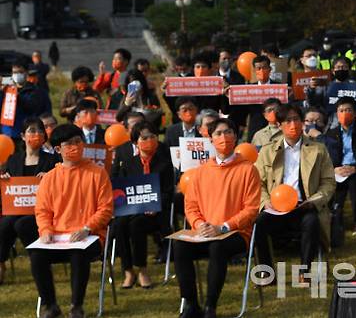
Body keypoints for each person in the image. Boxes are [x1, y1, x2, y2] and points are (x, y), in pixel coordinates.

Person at [175, 118, 260, 318]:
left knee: (217, 247)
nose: (224, 137)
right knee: (179, 247)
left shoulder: (248, 169)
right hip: (204, 232)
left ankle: (210, 307)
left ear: (236, 136)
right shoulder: (201, 171)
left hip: (235, 233)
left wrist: (222, 227)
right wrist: (199, 224)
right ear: (211, 140)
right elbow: (191, 206)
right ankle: (191, 305)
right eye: (218, 134)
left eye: (228, 132)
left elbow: (251, 209)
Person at [29, 124, 113, 318]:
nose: (75, 147)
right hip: (57, 238)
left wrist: (87, 228)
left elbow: (105, 209)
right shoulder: (49, 178)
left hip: (89, 236)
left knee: (78, 254)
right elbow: (42, 211)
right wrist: (46, 231)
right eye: (69, 144)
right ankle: (50, 305)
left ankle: (77, 306)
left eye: (78, 142)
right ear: (58, 149)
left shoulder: (97, 173)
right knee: (36, 256)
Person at [254, 104, 335, 279]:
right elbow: (257, 183)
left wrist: (314, 201)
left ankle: (305, 270)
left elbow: (328, 183)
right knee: (259, 223)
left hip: (304, 205)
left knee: (311, 222)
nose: (293, 125)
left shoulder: (318, 150)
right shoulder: (267, 151)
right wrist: (265, 202)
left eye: (296, 119)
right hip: (275, 207)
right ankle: (266, 271)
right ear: (279, 125)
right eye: (288, 121)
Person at [112, 120, 174, 290]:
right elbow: (122, 191)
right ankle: (128, 270)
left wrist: (155, 205)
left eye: (152, 136)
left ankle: (142, 269)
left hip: (156, 214)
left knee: (136, 225)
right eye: (144, 138)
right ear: (135, 142)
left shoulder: (164, 163)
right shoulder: (129, 164)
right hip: (131, 210)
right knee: (119, 224)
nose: (149, 141)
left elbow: (169, 192)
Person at [0, 118, 59, 285]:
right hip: (17, 209)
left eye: (40, 131)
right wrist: (5, 179)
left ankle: (39, 261)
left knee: (21, 224)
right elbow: (7, 190)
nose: (37, 134)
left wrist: (50, 177)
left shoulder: (51, 160)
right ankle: (1, 262)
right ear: (23, 136)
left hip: (43, 212)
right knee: (5, 224)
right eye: (32, 131)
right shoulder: (13, 160)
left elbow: (61, 185)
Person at [323, 96, 356, 234]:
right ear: (336, 113)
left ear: (354, 113)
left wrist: (355, 168)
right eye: (341, 110)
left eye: (348, 110)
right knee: (335, 192)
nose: (344, 113)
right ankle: (336, 221)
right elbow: (327, 158)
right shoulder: (331, 133)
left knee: (354, 187)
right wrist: (335, 169)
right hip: (338, 170)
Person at [1, 58, 50, 141]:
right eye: (14, 72)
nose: (17, 75)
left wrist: (17, 96)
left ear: (26, 73)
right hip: (6, 132)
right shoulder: (7, 89)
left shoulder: (35, 91)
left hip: (25, 133)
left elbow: (31, 108)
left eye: (20, 72)